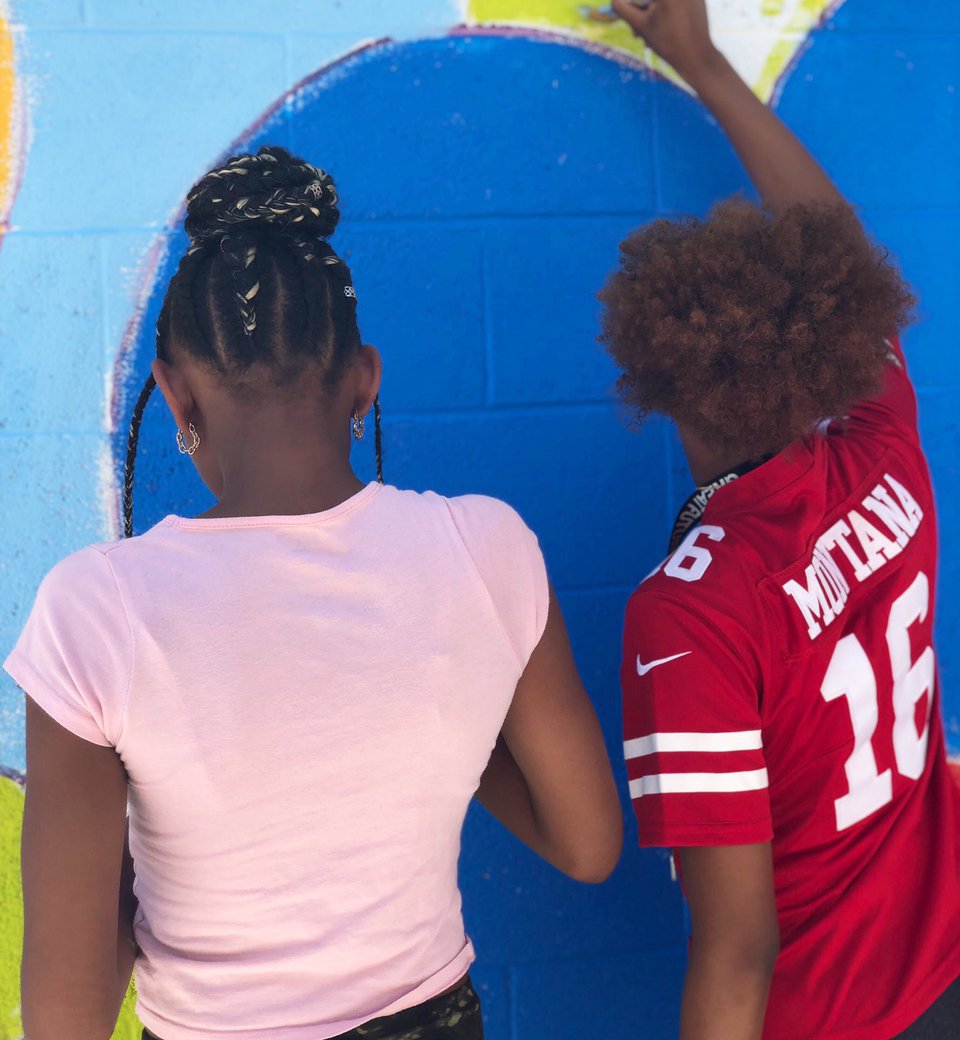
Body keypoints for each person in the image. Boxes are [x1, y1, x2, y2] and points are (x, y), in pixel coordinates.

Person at [4, 147, 622, 1040]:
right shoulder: (486, 548)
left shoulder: (96, 609)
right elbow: (589, 845)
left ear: (177, 401)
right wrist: (443, 700)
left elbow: (66, 1004)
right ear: (363, 382)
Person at [601, 0, 960, 1040]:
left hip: (838, 1020)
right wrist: (707, 64)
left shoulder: (689, 611)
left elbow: (737, 944)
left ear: (662, 381)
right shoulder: (881, 447)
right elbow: (835, 238)